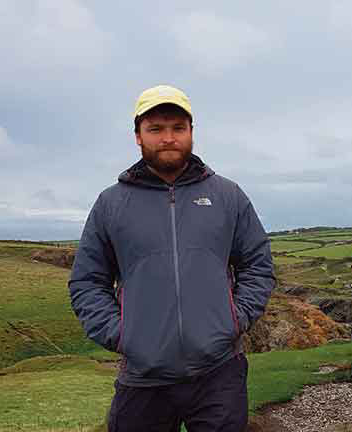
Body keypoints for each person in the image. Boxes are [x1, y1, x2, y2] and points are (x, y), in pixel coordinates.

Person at [68, 84, 275, 431]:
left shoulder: (228, 195)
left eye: (178, 128)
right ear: (138, 136)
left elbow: (258, 266)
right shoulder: (111, 203)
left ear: (192, 132)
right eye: (156, 129)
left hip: (219, 373)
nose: (168, 138)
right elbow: (87, 281)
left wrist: (233, 321)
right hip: (143, 378)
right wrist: (123, 336)